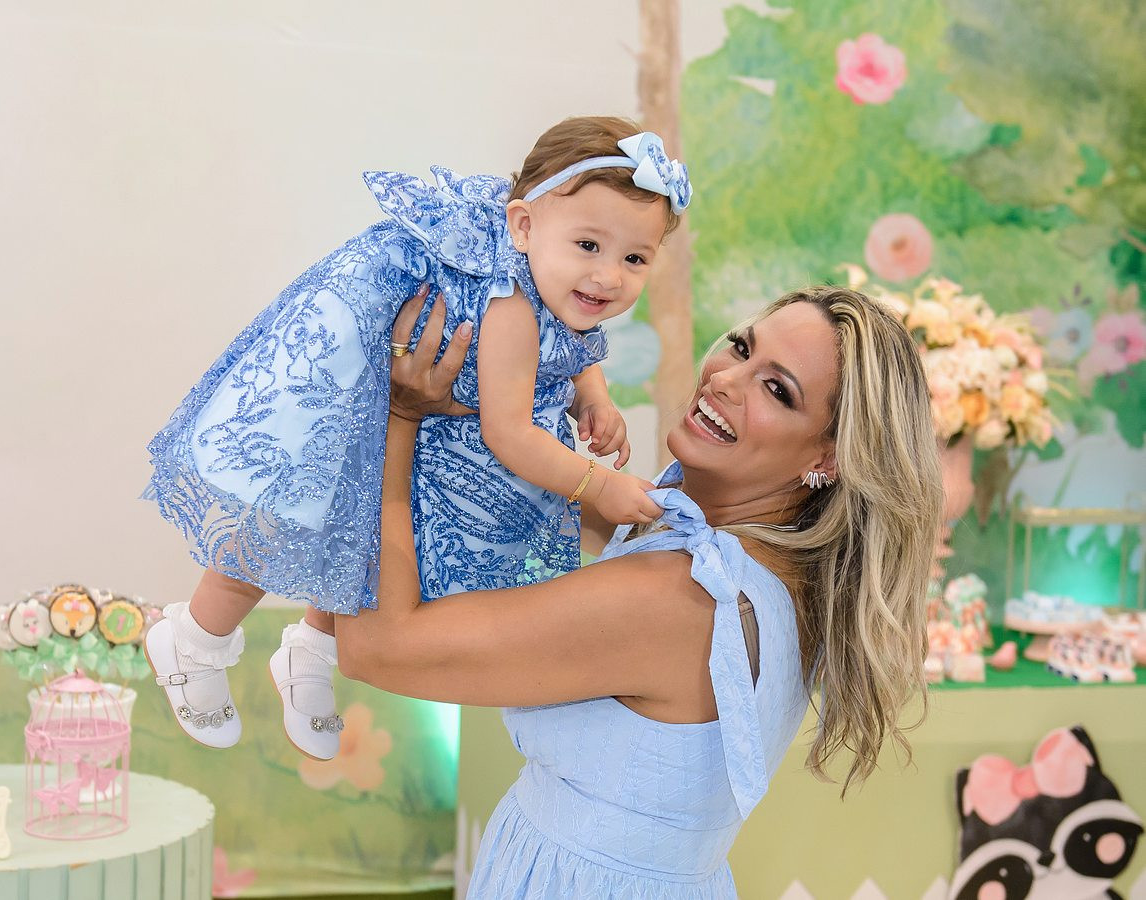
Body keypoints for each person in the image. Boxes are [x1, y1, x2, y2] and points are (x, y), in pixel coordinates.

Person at [337, 285, 943, 897]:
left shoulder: (678, 598)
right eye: (741, 347)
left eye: (777, 390)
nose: (726, 380)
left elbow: (375, 647)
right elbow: (545, 504)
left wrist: (396, 419)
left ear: (829, 458)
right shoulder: (783, 572)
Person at [141, 116, 690, 757]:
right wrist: (598, 484)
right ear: (523, 227)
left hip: (417, 402)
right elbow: (510, 435)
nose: (608, 277)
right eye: (589, 246)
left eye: (634, 258)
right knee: (290, 519)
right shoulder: (511, 306)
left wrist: (593, 394)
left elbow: (573, 335)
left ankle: (309, 655)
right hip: (353, 384)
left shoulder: (552, 273)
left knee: (377, 538)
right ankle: (194, 639)